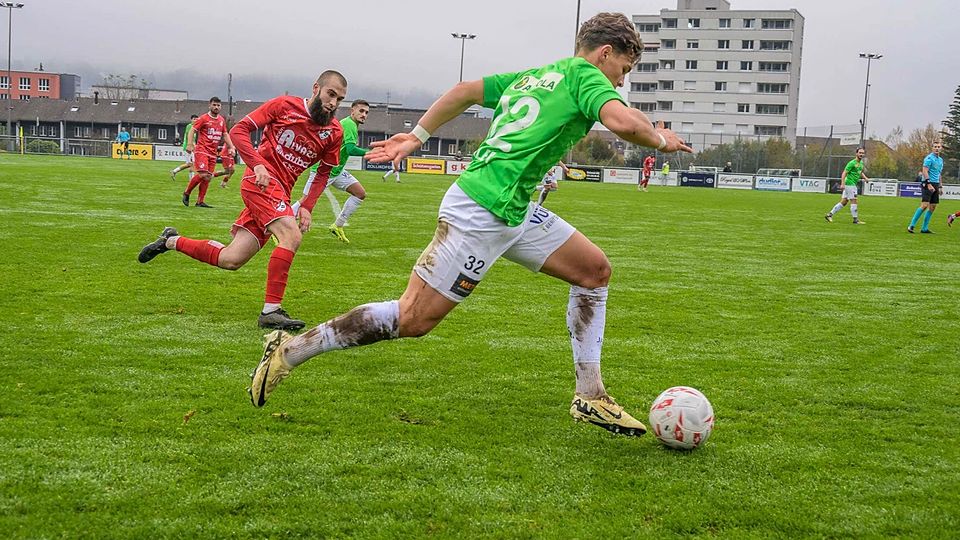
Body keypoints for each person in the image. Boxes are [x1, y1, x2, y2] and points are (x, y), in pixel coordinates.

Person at [248, 13, 693, 438]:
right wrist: (660, 137)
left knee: (594, 271)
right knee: (414, 318)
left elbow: (464, 90)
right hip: (482, 211)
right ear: (605, 53)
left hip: (513, 210)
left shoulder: (537, 75)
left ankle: (590, 394)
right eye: (624, 69)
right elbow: (620, 120)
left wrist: (417, 136)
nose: (622, 81)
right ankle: (290, 351)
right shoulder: (587, 77)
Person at [137, 71, 348, 330]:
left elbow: (325, 170)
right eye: (331, 94)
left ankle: (170, 241)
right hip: (260, 183)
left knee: (231, 259)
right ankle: (271, 311)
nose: (334, 103)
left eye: (340, 99)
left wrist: (306, 205)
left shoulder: (334, 132)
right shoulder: (285, 105)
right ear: (316, 88)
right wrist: (257, 164)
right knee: (291, 236)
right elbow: (240, 130)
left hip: (280, 193)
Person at [291, 99, 372, 244]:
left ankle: (337, 225)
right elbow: (350, 149)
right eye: (361, 111)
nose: (364, 115)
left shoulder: (350, 124)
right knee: (305, 201)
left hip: (336, 171)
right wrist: (371, 153)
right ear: (352, 110)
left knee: (360, 193)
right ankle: (277, 226)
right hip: (323, 170)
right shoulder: (349, 125)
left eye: (366, 112)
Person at [183, 97, 234, 208]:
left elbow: (225, 134)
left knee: (208, 177)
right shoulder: (203, 118)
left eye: (218, 105)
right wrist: (190, 144)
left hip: (213, 153)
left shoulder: (221, 120)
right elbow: (193, 130)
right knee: (203, 174)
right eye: (214, 105)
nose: (216, 107)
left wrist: (231, 147)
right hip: (202, 150)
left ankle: (200, 202)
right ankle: (187, 192)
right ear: (209, 105)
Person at [824, 147, 869, 224]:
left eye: (862, 153)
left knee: (844, 202)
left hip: (852, 184)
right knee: (854, 201)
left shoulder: (861, 163)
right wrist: (842, 183)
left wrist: (865, 178)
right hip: (849, 184)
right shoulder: (852, 163)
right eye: (860, 153)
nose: (861, 154)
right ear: (856, 153)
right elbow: (844, 173)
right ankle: (855, 220)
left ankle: (829, 215)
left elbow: (860, 172)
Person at [908, 141, 944, 233]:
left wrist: (940, 186)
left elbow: (939, 173)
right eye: (935, 146)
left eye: (938, 147)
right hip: (927, 183)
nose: (937, 148)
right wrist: (928, 184)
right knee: (924, 205)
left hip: (935, 184)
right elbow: (925, 171)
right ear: (932, 148)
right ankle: (911, 225)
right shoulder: (929, 158)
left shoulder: (940, 160)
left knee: (933, 206)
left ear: (941, 148)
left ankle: (924, 228)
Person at [170, 114, 199, 179]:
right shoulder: (190, 126)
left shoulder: (195, 127)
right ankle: (191, 179)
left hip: (191, 147)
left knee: (189, 164)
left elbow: (193, 138)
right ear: (191, 120)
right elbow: (188, 136)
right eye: (194, 119)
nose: (195, 120)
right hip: (188, 147)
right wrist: (190, 145)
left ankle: (174, 171)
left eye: (197, 119)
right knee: (192, 164)